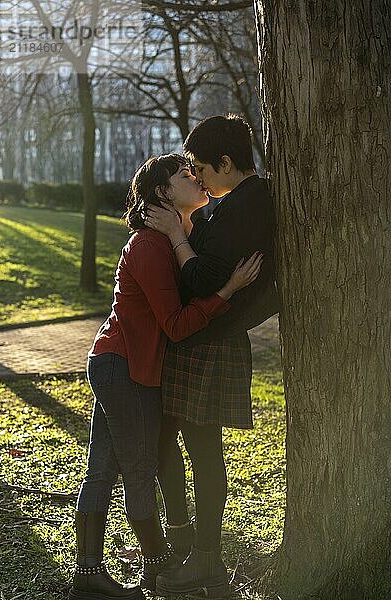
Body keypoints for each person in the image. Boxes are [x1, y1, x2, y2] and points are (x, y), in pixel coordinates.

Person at [68, 153, 263, 600]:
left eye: (196, 170)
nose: (195, 177)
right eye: (183, 174)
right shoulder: (151, 246)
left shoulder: (180, 237)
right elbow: (175, 324)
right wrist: (227, 291)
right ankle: (157, 566)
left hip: (123, 363)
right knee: (134, 470)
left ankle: (88, 574)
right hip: (124, 366)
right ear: (162, 193)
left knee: (103, 469)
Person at [145, 115, 279, 598]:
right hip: (197, 340)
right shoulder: (228, 205)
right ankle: (188, 544)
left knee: (203, 454)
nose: (197, 177)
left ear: (226, 163)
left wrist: (179, 239)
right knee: (173, 445)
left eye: (202, 167)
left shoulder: (249, 204)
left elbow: (200, 280)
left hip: (212, 343)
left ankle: (205, 559)